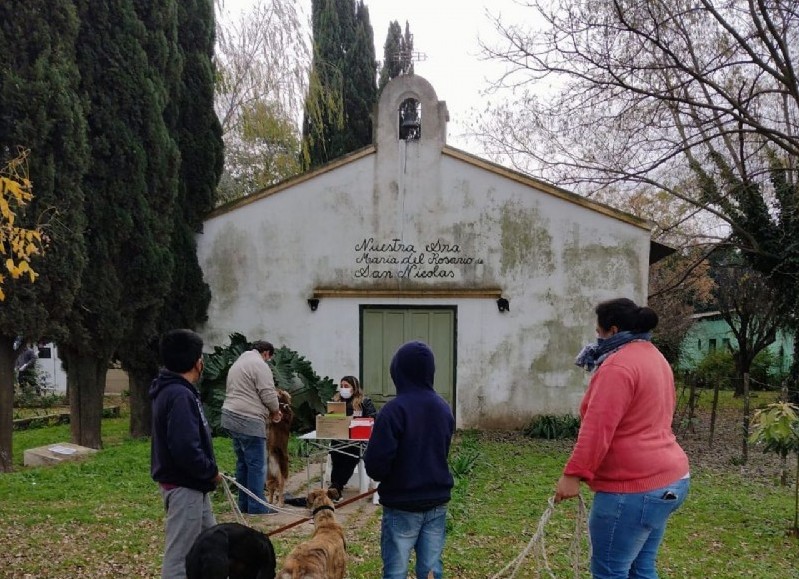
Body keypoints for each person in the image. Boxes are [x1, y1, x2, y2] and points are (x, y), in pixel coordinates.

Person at [555, 298, 690, 579]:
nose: (595, 337)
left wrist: (573, 474)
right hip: (671, 478)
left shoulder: (617, 366)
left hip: (633, 488)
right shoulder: (654, 356)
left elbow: (597, 428)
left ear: (612, 331)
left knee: (609, 572)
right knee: (640, 569)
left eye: (598, 330)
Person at [364, 341, 455, 579]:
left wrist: (386, 475)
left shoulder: (393, 410)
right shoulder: (443, 408)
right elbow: (440, 451)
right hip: (436, 501)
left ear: (397, 372)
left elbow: (376, 463)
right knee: (431, 569)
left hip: (401, 505)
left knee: (395, 571)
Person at [150, 329, 221, 579]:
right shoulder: (178, 395)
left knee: (211, 547)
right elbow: (184, 447)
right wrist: (209, 471)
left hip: (195, 485)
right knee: (180, 557)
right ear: (196, 361)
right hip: (185, 486)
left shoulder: (180, 391)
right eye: (201, 356)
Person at [221, 340, 282, 514]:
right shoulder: (259, 365)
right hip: (248, 419)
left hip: (230, 416)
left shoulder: (238, 363)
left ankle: (244, 504)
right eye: (269, 358)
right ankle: (257, 506)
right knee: (256, 465)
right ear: (266, 353)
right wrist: (275, 411)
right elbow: (268, 393)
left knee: (243, 463)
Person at [328, 375, 377, 499]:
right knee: (336, 452)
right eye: (341, 386)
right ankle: (335, 485)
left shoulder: (364, 401)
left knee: (351, 454)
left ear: (354, 388)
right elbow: (330, 419)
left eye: (346, 386)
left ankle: (336, 486)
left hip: (359, 440)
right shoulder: (336, 401)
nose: (343, 389)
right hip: (340, 437)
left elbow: (373, 419)